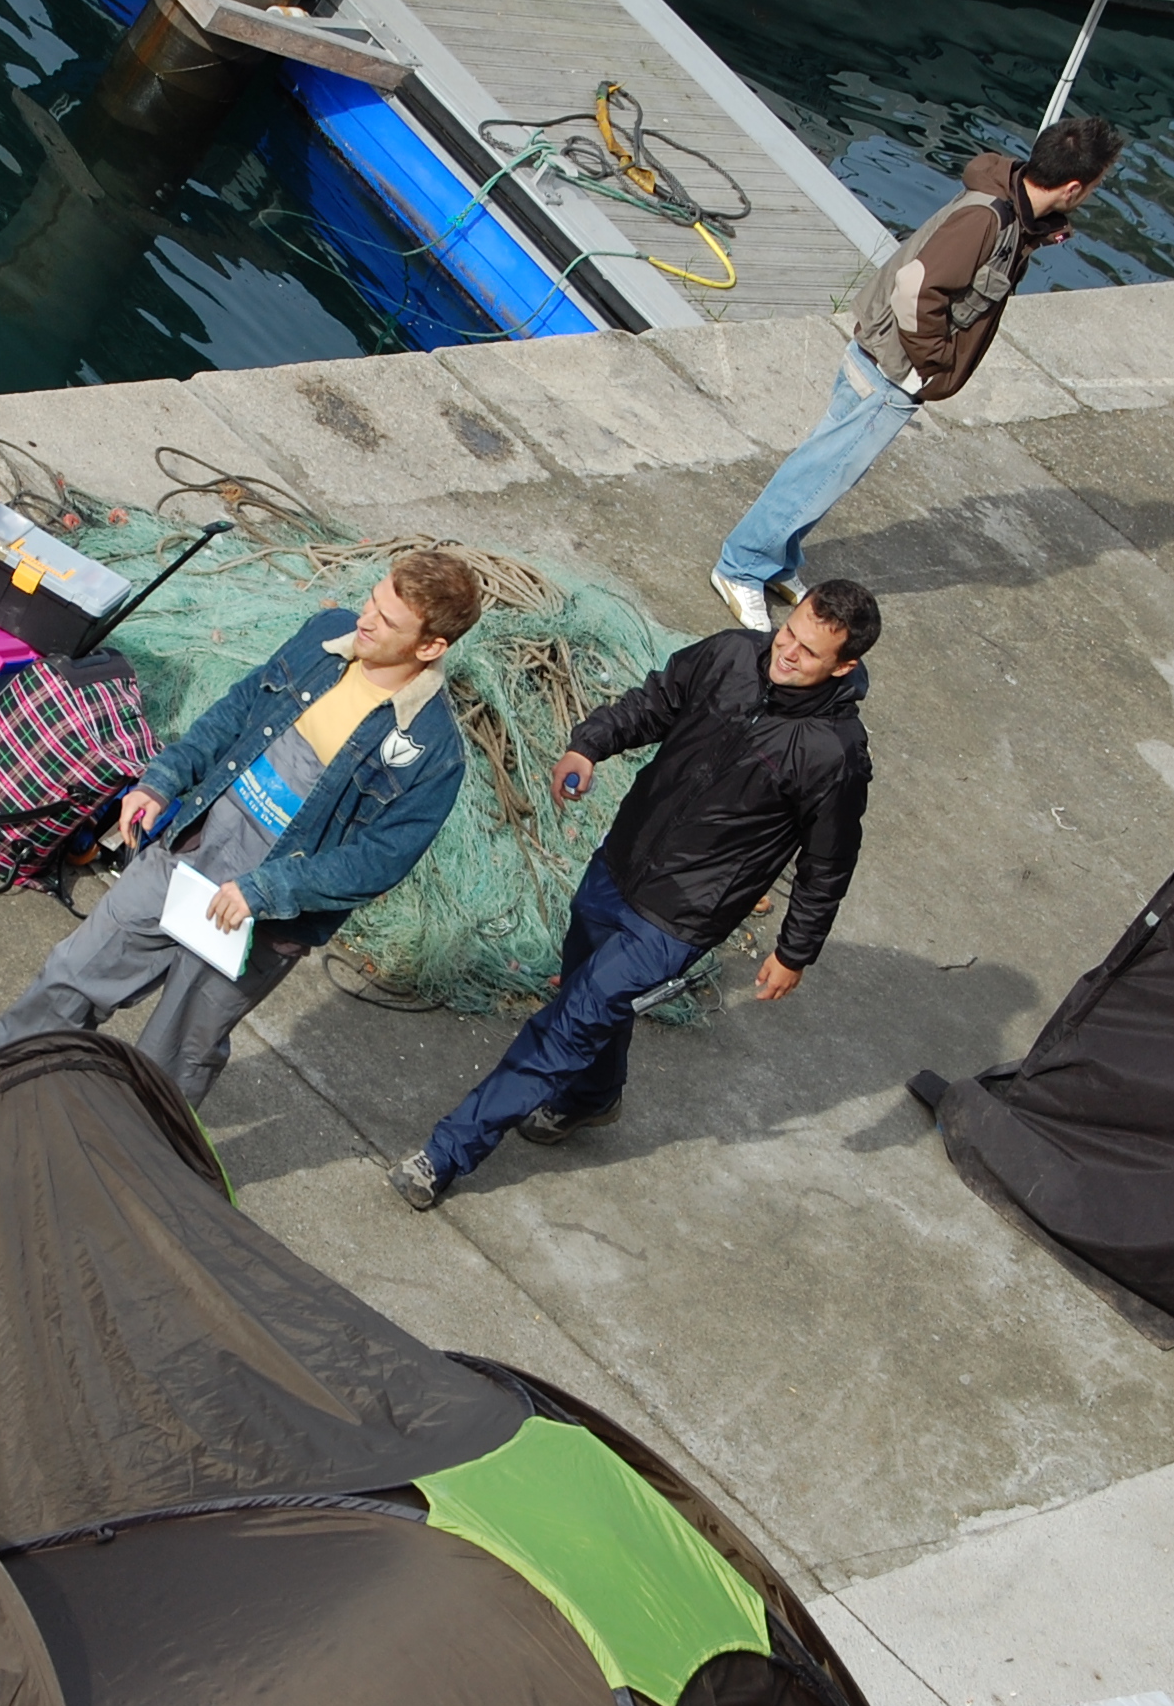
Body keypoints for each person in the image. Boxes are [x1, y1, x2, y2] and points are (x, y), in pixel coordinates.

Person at [389, 580, 880, 1209]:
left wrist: (794, 952)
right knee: (587, 989)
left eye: (808, 652)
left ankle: (446, 1153)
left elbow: (828, 863)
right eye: (789, 632)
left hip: (681, 917)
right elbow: (656, 702)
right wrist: (589, 745)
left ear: (844, 667)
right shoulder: (732, 654)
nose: (785, 652)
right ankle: (593, 1098)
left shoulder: (835, 755)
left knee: (570, 1023)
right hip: (621, 862)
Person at [0, 552, 482, 1107]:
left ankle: (134, 1147)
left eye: (387, 621)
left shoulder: (434, 753)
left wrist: (266, 890)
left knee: (174, 1054)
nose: (365, 620)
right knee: (74, 974)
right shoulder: (326, 636)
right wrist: (163, 780)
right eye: (372, 601)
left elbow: (378, 861)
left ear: (430, 647)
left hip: (264, 917)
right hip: (195, 847)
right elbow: (238, 710)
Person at [708, 118, 1123, 632]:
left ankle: (776, 559)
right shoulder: (987, 220)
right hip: (892, 369)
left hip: (892, 364)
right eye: (1097, 184)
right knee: (821, 472)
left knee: (832, 469)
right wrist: (931, 364)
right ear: (1074, 187)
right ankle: (741, 565)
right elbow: (914, 287)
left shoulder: (1013, 210)